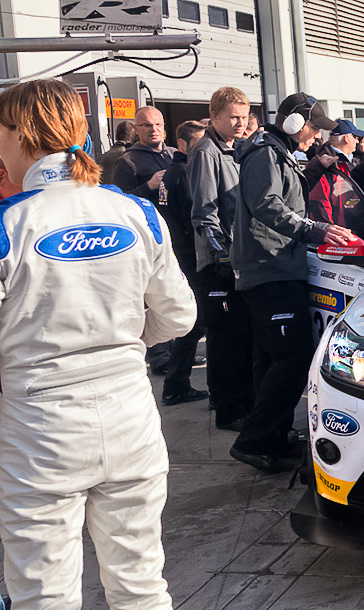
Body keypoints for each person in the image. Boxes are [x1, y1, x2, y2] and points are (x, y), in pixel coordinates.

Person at [0, 77, 195, 609]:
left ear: (20, 136)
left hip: (39, 433)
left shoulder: (8, 226)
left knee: (45, 596)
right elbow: (179, 316)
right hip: (132, 418)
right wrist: (126, 345)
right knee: (140, 587)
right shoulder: (137, 213)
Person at [230, 92, 354, 472]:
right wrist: (315, 230)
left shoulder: (277, 151)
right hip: (270, 268)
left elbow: (287, 197)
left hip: (276, 265)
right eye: (314, 127)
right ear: (294, 123)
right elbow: (268, 204)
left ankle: (271, 435)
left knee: (270, 360)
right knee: (293, 357)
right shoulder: (265, 153)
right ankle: (254, 439)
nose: (317, 135)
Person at [187, 86, 254, 431]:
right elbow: (204, 213)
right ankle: (228, 409)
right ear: (214, 117)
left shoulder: (235, 149)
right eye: (233, 117)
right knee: (225, 339)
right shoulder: (206, 152)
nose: (240, 123)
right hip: (220, 265)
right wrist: (224, 259)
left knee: (240, 337)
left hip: (239, 259)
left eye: (244, 116)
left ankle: (237, 401)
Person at [113, 106, 177, 374]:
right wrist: (147, 187)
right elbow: (118, 202)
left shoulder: (174, 155)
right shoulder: (127, 162)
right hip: (147, 238)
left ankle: (177, 353)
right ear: (136, 130)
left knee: (175, 292)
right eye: (147, 126)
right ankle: (160, 357)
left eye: (158, 124)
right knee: (153, 295)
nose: (154, 130)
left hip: (177, 234)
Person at [157, 119, 210, 406]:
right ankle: (176, 384)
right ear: (182, 144)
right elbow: (196, 218)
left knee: (196, 322)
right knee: (197, 322)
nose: (203, 150)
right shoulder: (183, 173)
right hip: (190, 257)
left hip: (181, 255)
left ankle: (176, 383)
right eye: (197, 144)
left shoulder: (174, 171)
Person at [305, 119, 364, 224]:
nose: (357, 141)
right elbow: (320, 203)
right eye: (355, 137)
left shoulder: (349, 160)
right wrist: (331, 230)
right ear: (347, 138)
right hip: (339, 228)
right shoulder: (327, 165)